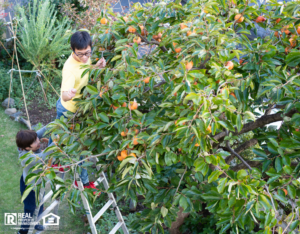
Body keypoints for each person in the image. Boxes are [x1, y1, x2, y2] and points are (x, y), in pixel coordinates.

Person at [48, 31, 106, 193]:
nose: (85, 57)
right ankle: (79, 178)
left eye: (88, 53)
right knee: (69, 140)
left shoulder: (85, 57)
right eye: (80, 54)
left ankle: (53, 162)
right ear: (73, 50)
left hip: (79, 109)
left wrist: (96, 66)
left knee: (58, 134)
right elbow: (65, 95)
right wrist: (69, 94)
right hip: (68, 109)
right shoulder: (69, 69)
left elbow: (85, 69)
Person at [16, 127, 55, 234]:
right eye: (35, 141)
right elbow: (43, 156)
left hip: (38, 183)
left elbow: (42, 131)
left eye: (37, 138)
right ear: (26, 147)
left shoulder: (27, 143)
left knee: (40, 204)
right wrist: (55, 143)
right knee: (30, 209)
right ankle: (23, 231)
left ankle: (35, 222)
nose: (38, 140)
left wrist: (56, 123)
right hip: (30, 187)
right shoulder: (26, 157)